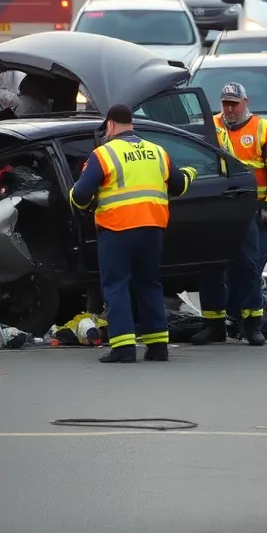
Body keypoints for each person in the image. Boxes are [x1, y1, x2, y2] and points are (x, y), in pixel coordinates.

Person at [69, 104, 197, 364]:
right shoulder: (157, 151)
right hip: (152, 228)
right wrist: (192, 173)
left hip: (117, 229)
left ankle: (124, 347)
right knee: (150, 284)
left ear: (110, 125)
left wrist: (79, 204)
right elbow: (179, 185)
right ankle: (158, 345)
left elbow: (81, 194)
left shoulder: (103, 154)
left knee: (116, 286)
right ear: (132, 124)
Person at [195, 83, 267, 347]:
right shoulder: (210, 126)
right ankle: (213, 325)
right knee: (211, 265)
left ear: (246, 102)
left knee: (249, 266)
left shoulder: (263, 129)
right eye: (225, 103)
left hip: (251, 209)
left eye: (234, 103)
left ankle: (251, 324)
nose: (229, 109)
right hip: (219, 208)